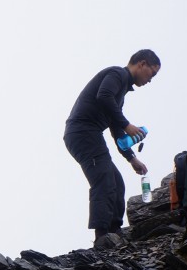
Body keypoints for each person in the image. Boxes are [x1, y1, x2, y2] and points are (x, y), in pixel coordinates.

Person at [63, 49, 160, 249]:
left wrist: (132, 158)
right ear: (141, 64)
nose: (150, 80)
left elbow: (115, 128)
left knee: (117, 182)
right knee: (104, 180)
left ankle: (114, 233)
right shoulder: (117, 74)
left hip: (88, 134)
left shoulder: (122, 89)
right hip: (82, 132)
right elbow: (104, 96)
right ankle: (102, 237)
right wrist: (127, 124)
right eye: (152, 73)